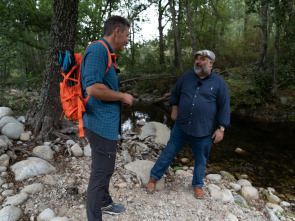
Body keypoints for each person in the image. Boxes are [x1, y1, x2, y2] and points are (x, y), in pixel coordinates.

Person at [146, 50, 230, 199]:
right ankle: (154, 177)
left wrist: (221, 128)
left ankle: (197, 185)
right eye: (197, 58)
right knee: (168, 153)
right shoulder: (186, 77)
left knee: (201, 160)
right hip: (182, 126)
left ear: (211, 63)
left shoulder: (219, 83)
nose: (198, 61)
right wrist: (174, 108)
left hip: (204, 130)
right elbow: (175, 93)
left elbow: (224, 106)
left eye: (202, 59)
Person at [81, 16, 133, 221]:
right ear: (117, 31)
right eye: (127, 36)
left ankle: (104, 202)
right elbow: (92, 88)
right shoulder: (98, 50)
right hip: (99, 124)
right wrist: (122, 96)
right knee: (101, 173)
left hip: (106, 124)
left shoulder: (107, 53)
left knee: (104, 168)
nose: (127, 41)